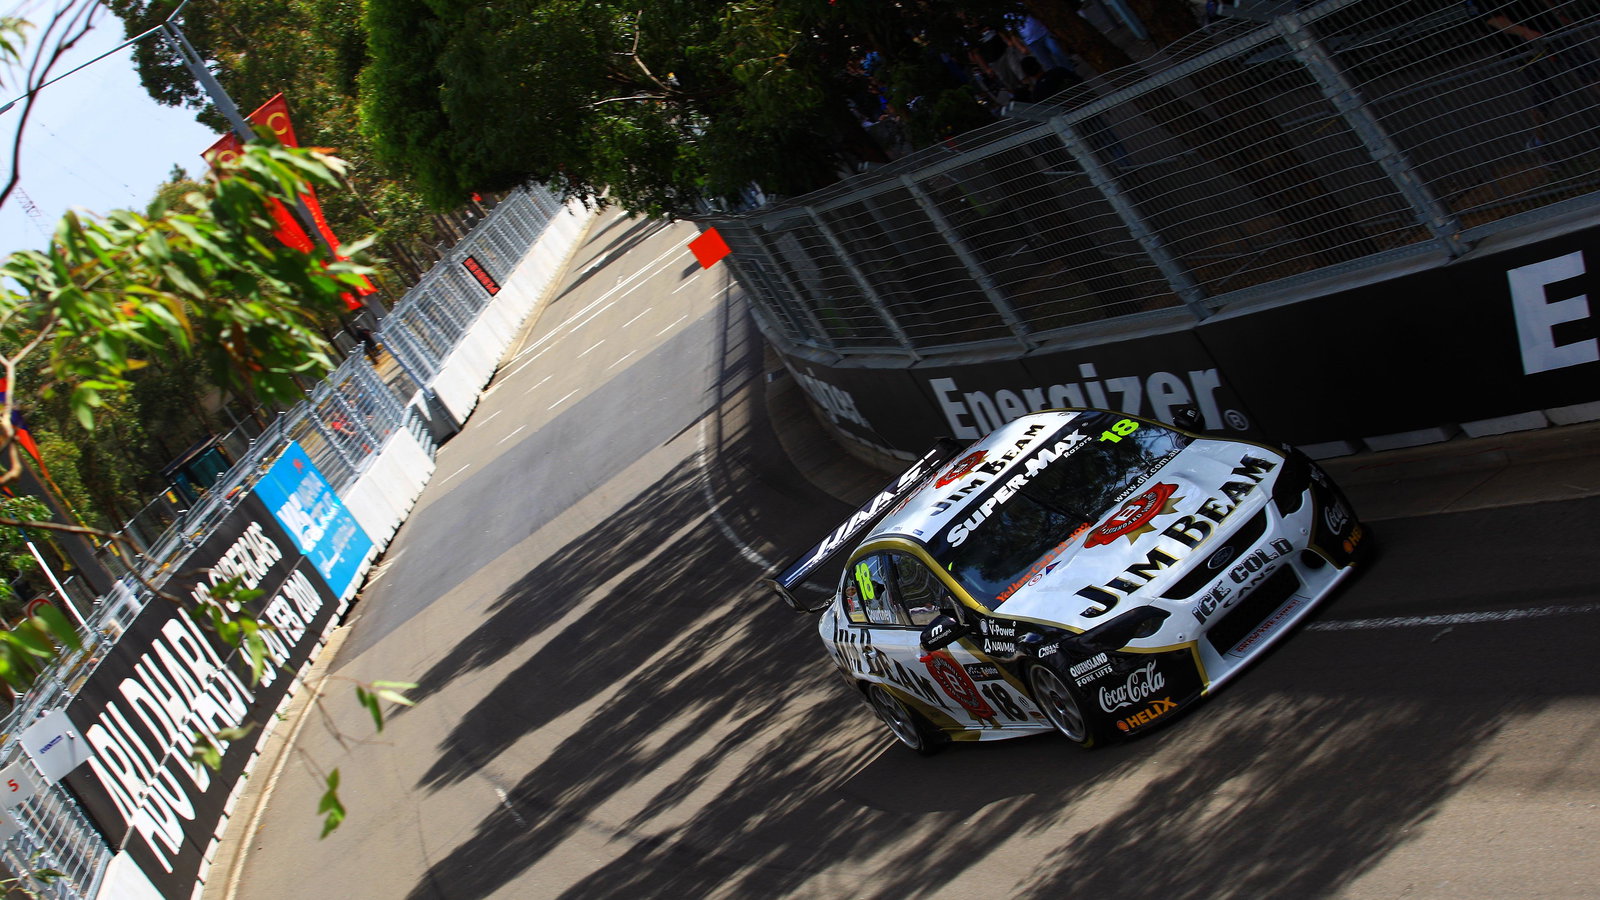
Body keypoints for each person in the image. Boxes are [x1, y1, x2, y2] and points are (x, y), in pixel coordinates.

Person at [1470, 0, 1600, 149]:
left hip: (1553, 32)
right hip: (1524, 48)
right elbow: (1493, 19)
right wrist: (1525, 32)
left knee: (1591, 71)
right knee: (1545, 92)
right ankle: (1538, 141)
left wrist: (1557, 14)